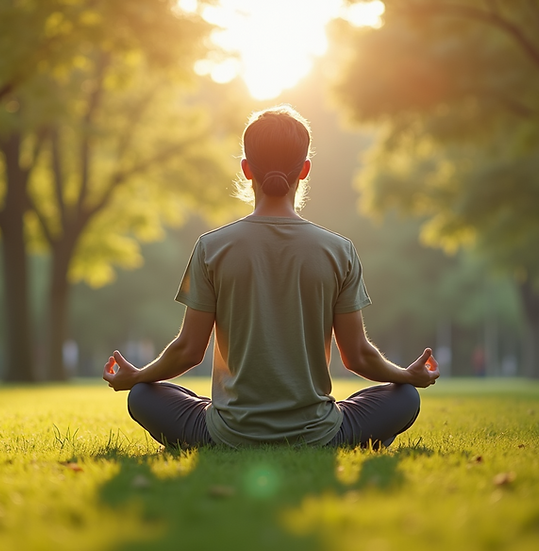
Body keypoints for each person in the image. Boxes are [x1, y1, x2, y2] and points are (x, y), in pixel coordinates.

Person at [103, 106, 439, 449]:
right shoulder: (339, 250)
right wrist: (406, 375)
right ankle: (347, 439)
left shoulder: (211, 248)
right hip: (319, 433)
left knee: (143, 395)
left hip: (229, 434)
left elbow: (189, 351)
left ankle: (211, 437)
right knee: (405, 399)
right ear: (305, 170)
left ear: (247, 170)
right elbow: (358, 357)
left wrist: (138, 376)